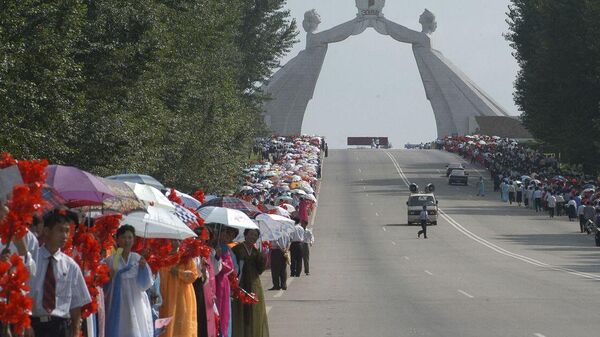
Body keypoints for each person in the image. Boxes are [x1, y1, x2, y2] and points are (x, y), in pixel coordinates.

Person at [28, 208, 92, 337]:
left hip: (61, 327)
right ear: (46, 231)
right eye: (60, 230)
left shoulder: (71, 266)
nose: (65, 236)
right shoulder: (32, 260)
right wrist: (25, 325)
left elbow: (76, 304)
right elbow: (22, 294)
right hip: (35, 326)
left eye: (67, 231)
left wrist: (75, 332)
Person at [103, 225, 153, 337]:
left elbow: (145, 284)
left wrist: (143, 268)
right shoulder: (112, 259)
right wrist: (110, 275)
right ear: (118, 239)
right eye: (123, 237)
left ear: (134, 240)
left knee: (135, 328)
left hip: (135, 301)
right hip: (117, 300)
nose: (127, 241)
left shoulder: (137, 258)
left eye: (130, 237)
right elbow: (105, 283)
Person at [231, 229, 269, 337]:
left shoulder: (257, 252)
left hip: (254, 284)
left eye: (255, 235)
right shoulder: (236, 249)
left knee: (255, 311)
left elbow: (260, 270)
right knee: (240, 310)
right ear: (245, 235)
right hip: (240, 284)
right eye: (251, 234)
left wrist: (263, 259)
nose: (253, 237)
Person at [159, 240, 200, 337]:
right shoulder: (162, 257)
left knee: (181, 323)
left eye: (178, 241)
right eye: (173, 240)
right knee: (166, 322)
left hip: (183, 297)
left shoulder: (186, 258)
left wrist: (179, 272)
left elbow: (194, 275)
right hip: (166, 295)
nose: (176, 243)